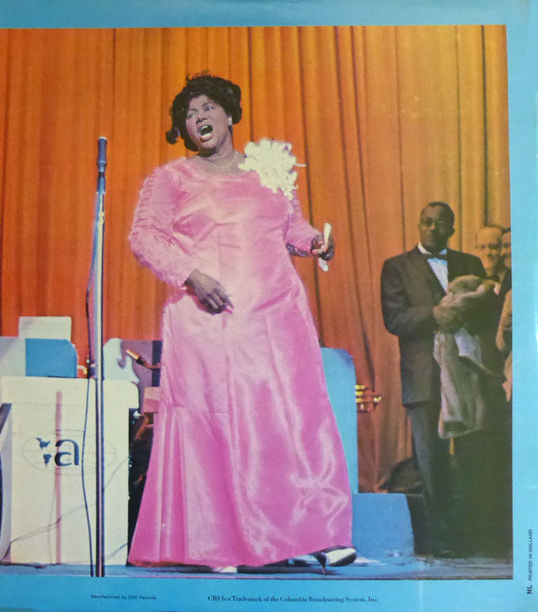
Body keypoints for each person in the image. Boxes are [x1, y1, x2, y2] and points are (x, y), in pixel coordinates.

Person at [127, 74, 355, 573]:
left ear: (230, 115)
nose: (199, 118)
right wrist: (191, 275)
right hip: (209, 318)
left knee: (293, 421)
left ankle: (314, 534)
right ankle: (220, 544)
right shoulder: (171, 178)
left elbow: (290, 227)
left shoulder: (267, 170)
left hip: (276, 315)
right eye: (190, 115)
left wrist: (315, 242)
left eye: (208, 108)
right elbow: (144, 237)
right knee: (221, 422)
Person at [381, 202, 506, 558]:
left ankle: (477, 539)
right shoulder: (396, 267)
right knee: (431, 463)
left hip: (466, 374)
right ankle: (442, 544)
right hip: (423, 379)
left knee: (473, 458)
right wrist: (434, 314)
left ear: (452, 229)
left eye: (441, 224)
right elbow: (394, 319)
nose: (433, 229)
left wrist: (468, 309)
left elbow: (490, 314)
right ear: (419, 225)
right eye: (427, 222)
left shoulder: (471, 263)